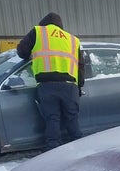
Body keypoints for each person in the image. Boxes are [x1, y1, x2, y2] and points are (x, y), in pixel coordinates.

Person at [17, 12, 85, 151]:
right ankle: (81, 149)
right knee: (72, 119)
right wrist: (79, 86)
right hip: (70, 86)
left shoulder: (38, 32)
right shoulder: (73, 39)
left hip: (47, 85)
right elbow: (80, 66)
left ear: (43, 23)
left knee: (52, 119)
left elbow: (22, 52)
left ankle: (53, 150)